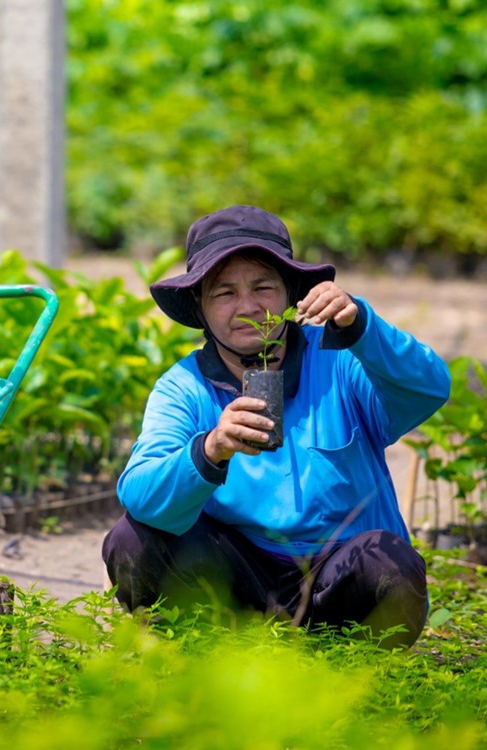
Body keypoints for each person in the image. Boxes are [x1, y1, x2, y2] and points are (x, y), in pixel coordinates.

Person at [102, 205, 451, 648]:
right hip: (236, 576)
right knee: (133, 539)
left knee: (390, 564)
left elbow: (429, 387)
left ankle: (359, 672)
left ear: (290, 293)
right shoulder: (183, 387)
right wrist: (209, 450)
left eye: (264, 286)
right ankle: (209, 657)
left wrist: (361, 325)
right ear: (199, 306)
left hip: (340, 572)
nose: (248, 307)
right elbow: (141, 493)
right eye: (224, 293)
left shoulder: (341, 358)